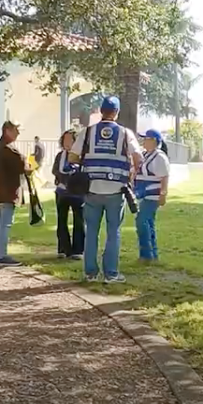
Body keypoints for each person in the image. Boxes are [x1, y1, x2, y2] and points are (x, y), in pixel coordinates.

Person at [69, 96, 143, 283]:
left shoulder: (87, 132)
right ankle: (111, 273)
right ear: (116, 113)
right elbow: (138, 158)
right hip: (116, 190)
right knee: (113, 232)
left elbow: (72, 157)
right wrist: (131, 173)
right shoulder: (126, 133)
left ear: (101, 111)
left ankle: (90, 273)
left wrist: (88, 162)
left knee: (91, 231)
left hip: (91, 188)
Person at [0, 120, 30, 267]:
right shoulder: (7, 149)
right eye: (16, 130)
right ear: (7, 130)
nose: (18, 133)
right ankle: (2, 255)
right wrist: (27, 162)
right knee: (5, 223)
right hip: (8, 190)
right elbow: (22, 166)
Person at [134, 129, 170, 263]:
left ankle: (147, 254)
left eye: (146, 139)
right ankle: (152, 254)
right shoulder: (147, 154)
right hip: (145, 194)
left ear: (154, 141)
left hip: (152, 195)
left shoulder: (159, 157)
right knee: (148, 222)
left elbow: (164, 177)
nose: (144, 141)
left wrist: (163, 194)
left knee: (141, 221)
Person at [52, 129, 85, 260]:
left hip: (77, 194)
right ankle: (63, 248)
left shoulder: (81, 156)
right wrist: (62, 179)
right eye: (65, 140)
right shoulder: (60, 156)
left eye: (70, 140)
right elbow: (55, 170)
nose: (67, 143)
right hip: (62, 192)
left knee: (79, 221)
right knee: (61, 220)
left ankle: (78, 250)